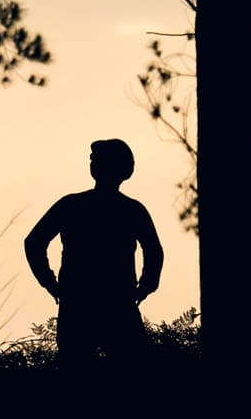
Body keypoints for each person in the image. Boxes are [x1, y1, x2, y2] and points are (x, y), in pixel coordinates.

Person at [24, 138, 164, 365]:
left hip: (80, 306)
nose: (92, 163)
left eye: (95, 159)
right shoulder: (132, 210)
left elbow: (33, 242)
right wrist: (145, 287)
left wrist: (50, 283)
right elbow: (155, 252)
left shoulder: (70, 205)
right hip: (116, 305)